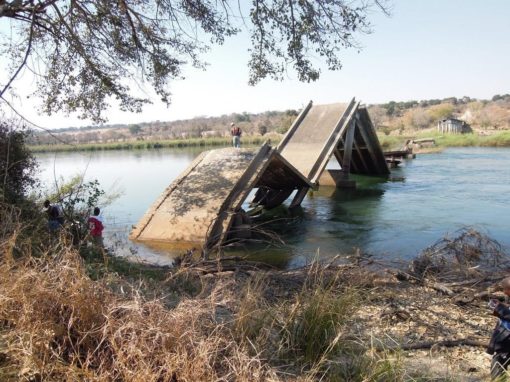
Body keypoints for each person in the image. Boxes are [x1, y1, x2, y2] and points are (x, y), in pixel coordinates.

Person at [488, 277, 510, 380]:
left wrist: (499, 308)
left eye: (504, 289)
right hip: (504, 340)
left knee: (498, 364)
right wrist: (498, 308)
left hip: (507, 343)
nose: (503, 292)